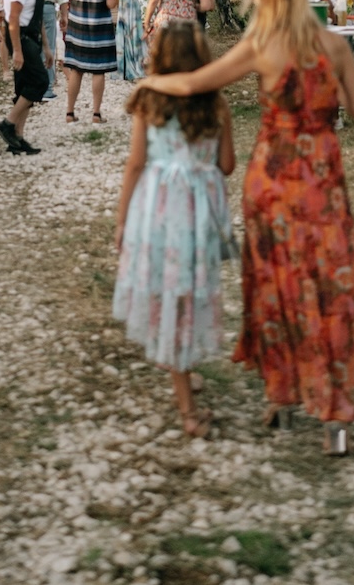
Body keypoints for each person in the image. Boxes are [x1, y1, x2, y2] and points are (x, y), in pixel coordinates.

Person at [137, 0, 354, 454]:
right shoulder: (334, 46)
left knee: (276, 284)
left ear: (264, 1)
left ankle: (281, 400)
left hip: (273, 182)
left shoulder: (261, 45)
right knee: (331, 286)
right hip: (322, 182)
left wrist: (151, 83)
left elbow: (198, 83)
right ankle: (336, 422)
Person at [113, 23, 236, 437]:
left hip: (159, 211)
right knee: (187, 291)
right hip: (200, 211)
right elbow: (227, 165)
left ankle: (183, 387)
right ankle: (186, 393)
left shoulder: (150, 99)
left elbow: (135, 164)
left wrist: (122, 217)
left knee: (170, 292)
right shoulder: (217, 104)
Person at [0, 0, 54, 155]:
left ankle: (17, 138)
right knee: (40, 81)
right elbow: (13, 18)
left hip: (32, 36)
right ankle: (8, 124)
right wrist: (18, 51)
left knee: (24, 86)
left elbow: (37, 18)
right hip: (19, 36)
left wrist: (47, 47)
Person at [62, 0, 120, 123]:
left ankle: (70, 113)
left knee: (76, 71)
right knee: (98, 72)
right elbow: (112, 3)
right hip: (99, 32)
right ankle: (96, 113)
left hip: (76, 29)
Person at [39, 0, 68, 98]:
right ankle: (47, 87)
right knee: (48, 46)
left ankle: (33, 84)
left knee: (32, 46)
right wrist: (64, 15)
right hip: (47, 6)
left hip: (28, 8)